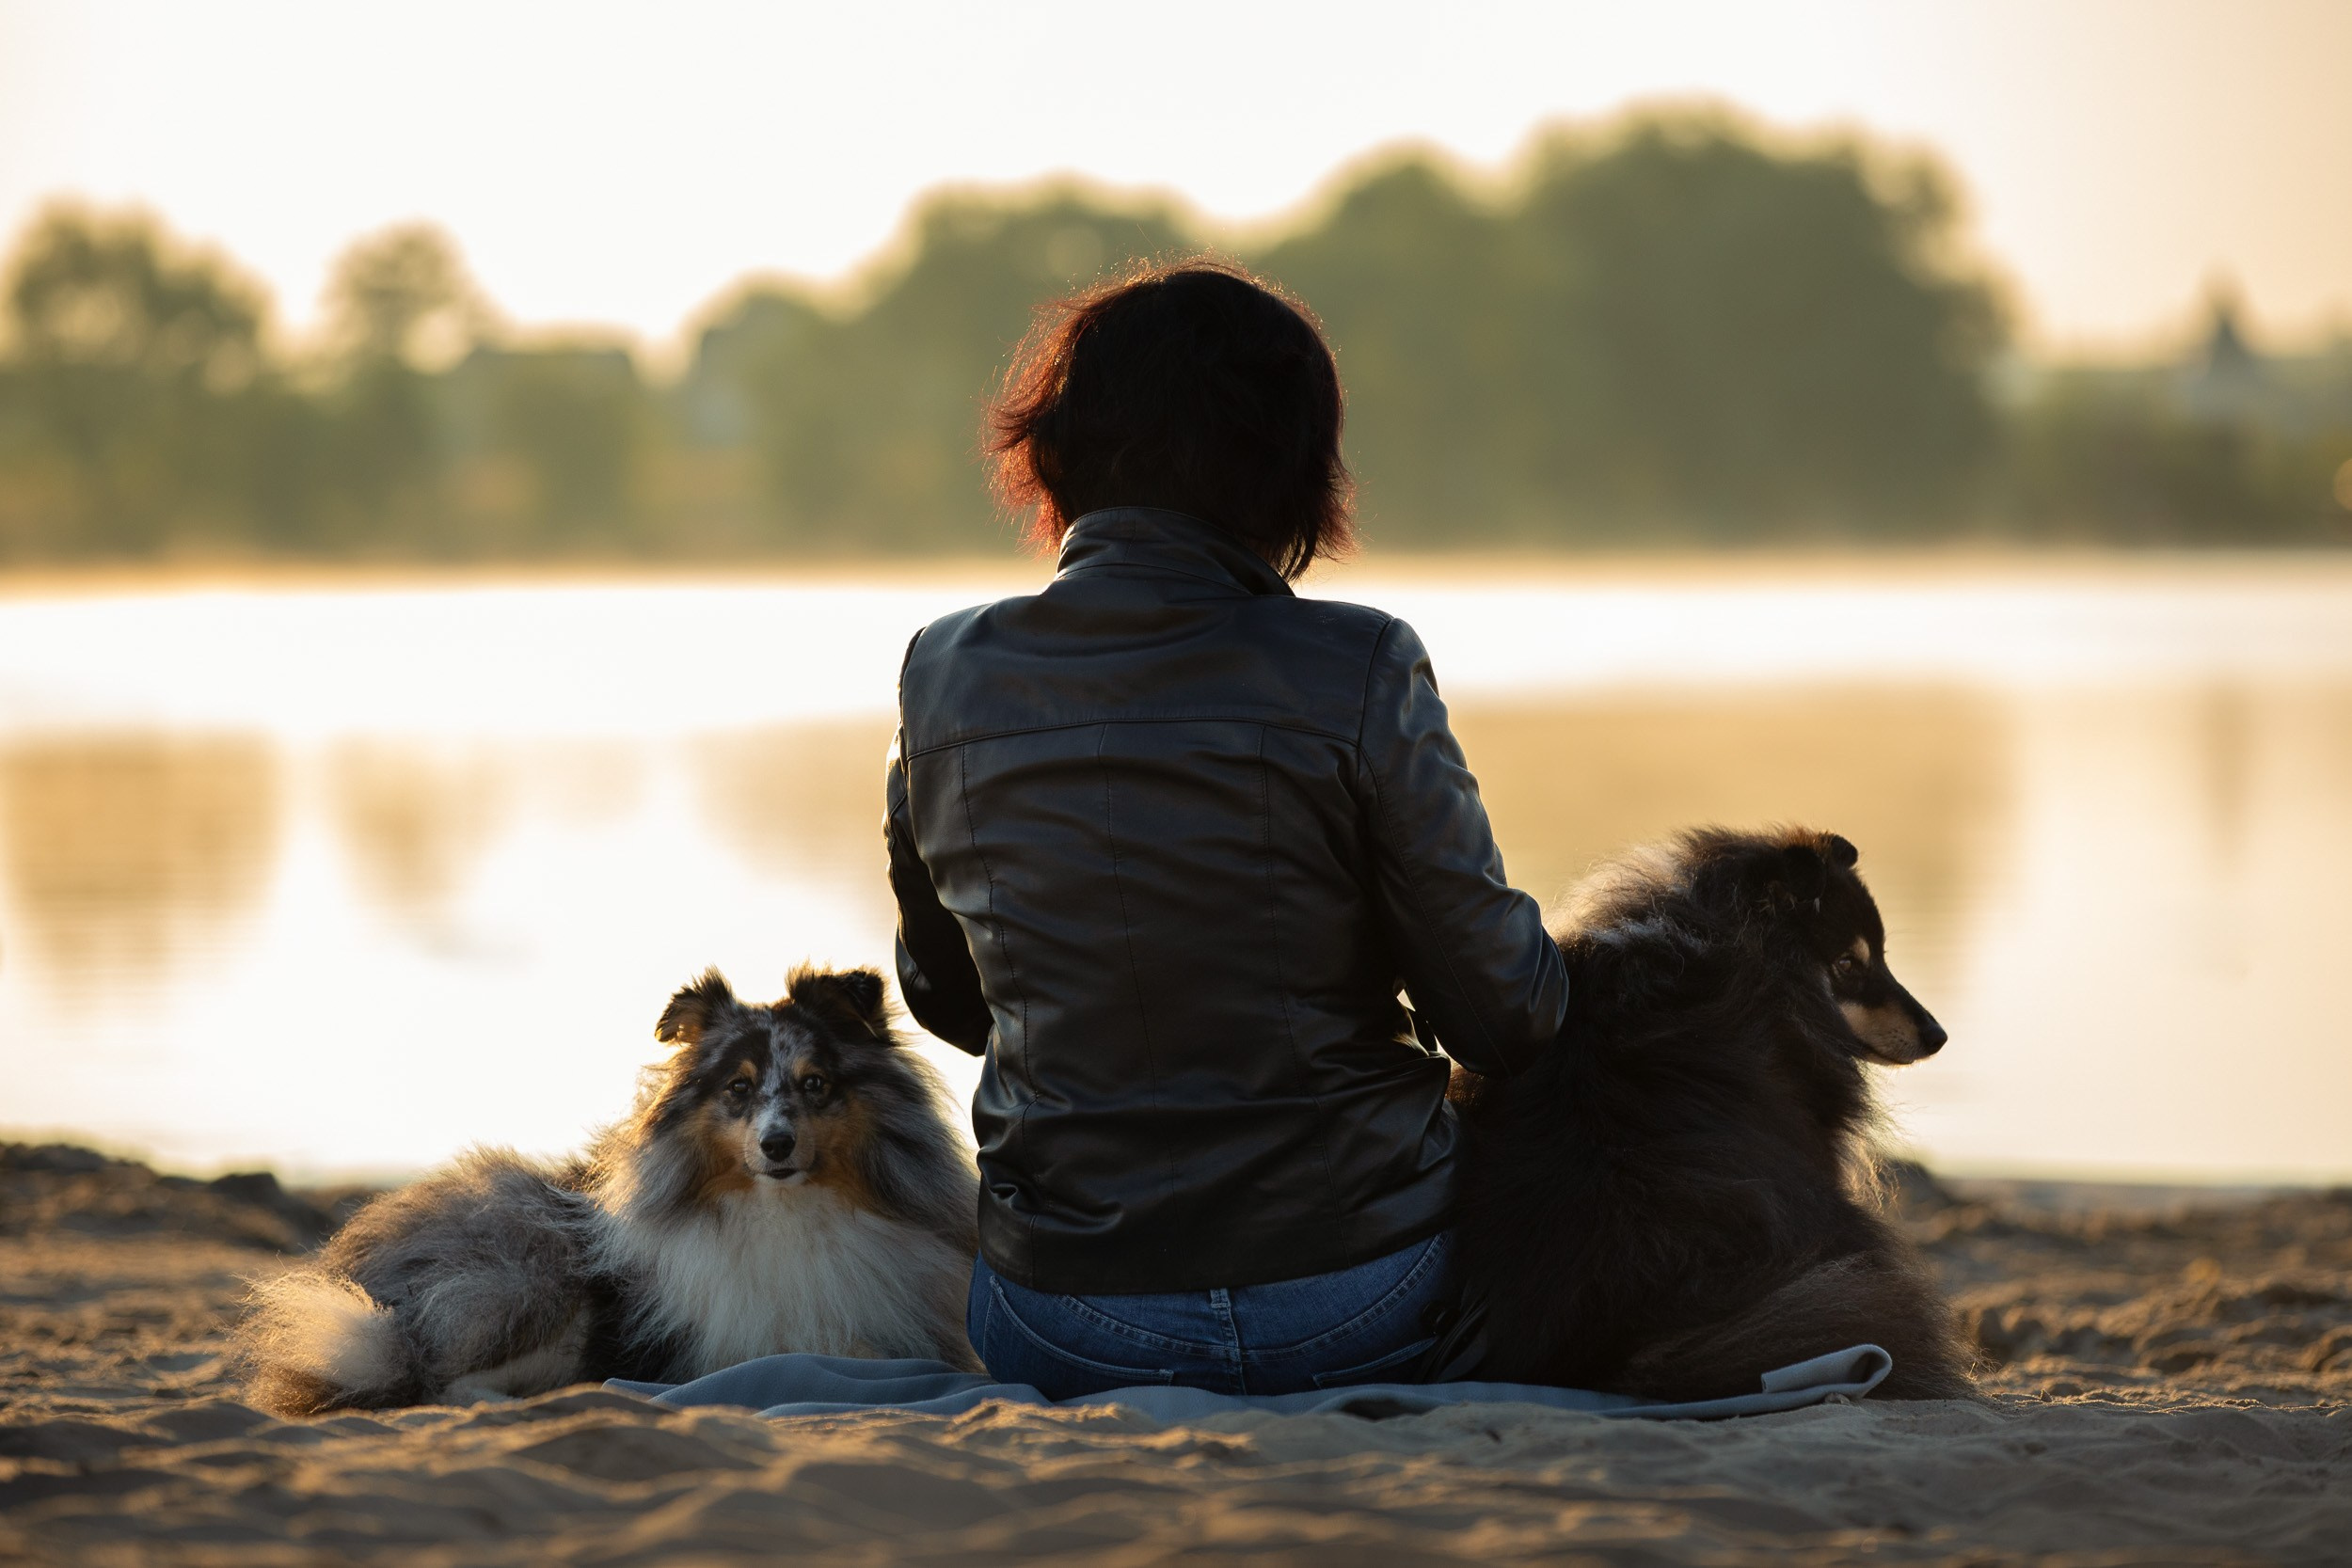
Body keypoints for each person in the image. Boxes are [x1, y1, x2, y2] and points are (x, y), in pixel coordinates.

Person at [884, 261, 1567, 1397]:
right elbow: (1508, 1014)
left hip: (1060, 1316)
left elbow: (951, 1000)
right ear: (1293, 468)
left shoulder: (943, 673)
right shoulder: (1359, 663)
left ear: (1052, 448)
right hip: (1364, 1295)